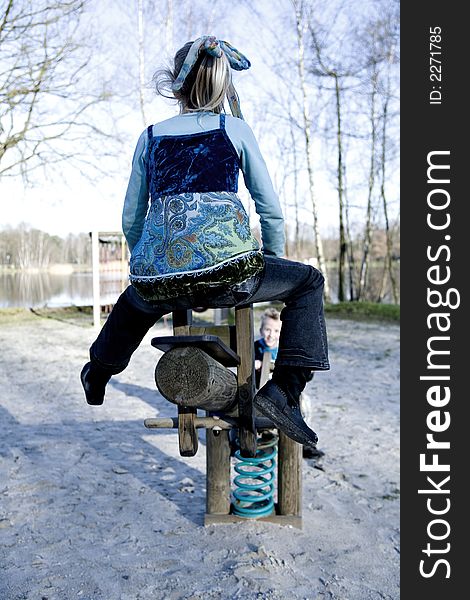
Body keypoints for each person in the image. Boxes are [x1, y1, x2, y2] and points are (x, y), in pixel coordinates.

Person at [80, 36, 330, 450]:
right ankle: (284, 391)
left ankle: (99, 371)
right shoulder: (234, 129)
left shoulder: (151, 136)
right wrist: (270, 260)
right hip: (231, 273)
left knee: (134, 303)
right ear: (222, 85)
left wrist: (153, 262)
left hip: (163, 277)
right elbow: (270, 210)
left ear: (176, 87)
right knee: (309, 283)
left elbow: (131, 217)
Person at [254, 307, 281, 387]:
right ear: (261, 331)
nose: (271, 335)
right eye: (267, 330)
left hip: (279, 386)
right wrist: (254, 363)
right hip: (260, 384)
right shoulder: (256, 347)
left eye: (276, 331)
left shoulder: (283, 349)